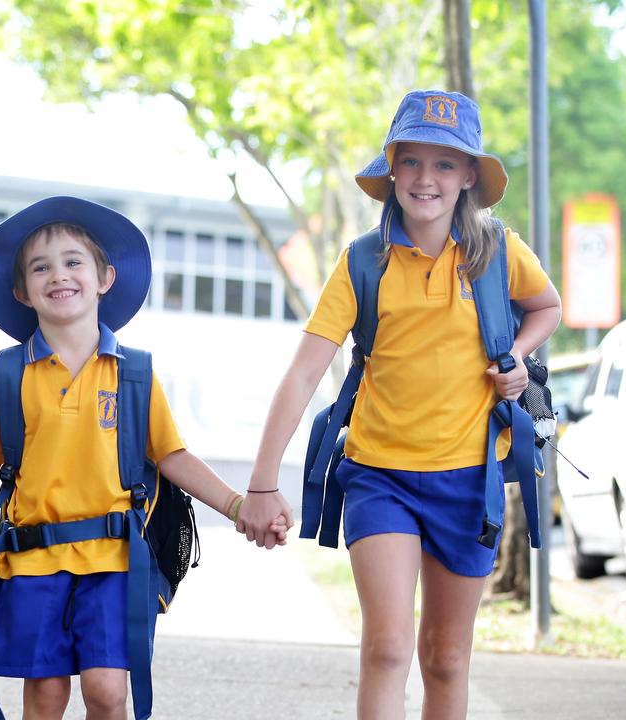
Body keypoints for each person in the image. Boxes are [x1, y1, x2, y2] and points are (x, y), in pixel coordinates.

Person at [0, 196, 285, 719]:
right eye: (41, 267)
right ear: (22, 291)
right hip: (32, 560)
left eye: (74, 261)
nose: (59, 275)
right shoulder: (8, 373)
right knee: (47, 697)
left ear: (105, 277)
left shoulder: (135, 374)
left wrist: (239, 507)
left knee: (106, 693)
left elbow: (173, 456)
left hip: (115, 561)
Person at [240, 90, 562, 719]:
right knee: (386, 651)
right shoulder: (363, 261)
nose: (426, 178)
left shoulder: (497, 251)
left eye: (445, 165)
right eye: (411, 161)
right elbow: (307, 368)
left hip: (471, 479)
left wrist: (517, 357)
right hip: (379, 475)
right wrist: (260, 481)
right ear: (392, 169)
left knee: (446, 656)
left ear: (469, 176)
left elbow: (548, 307)